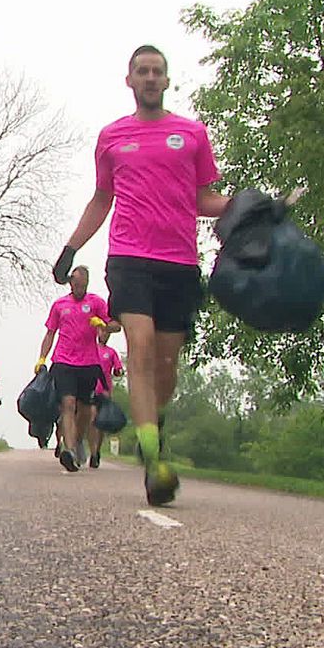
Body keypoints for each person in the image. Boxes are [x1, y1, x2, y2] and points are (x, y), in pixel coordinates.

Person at [52, 45, 230, 505]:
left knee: (166, 367)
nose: (150, 78)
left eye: (158, 72)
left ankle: (156, 423)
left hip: (179, 262)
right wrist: (71, 249)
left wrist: (245, 206)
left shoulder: (192, 135)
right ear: (129, 80)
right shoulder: (112, 137)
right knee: (141, 344)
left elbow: (203, 200)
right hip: (129, 257)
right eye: (142, 71)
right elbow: (101, 199)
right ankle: (153, 460)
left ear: (167, 81)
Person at [35, 265, 119, 472]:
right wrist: (42, 358)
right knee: (68, 403)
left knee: (85, 409)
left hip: (89, 363)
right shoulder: (59, 305)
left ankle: (78, 440)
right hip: (63, 361)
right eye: (75, 284)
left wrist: (103, 325)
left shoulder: (96, 302)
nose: (78, 288)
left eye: (82, 285)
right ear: (70, 283)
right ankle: (69, 450)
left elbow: (116, 325)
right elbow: (50, 333)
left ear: (87, 284)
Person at [86, 328, 125, 468]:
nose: (104, 335)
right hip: (90, 388)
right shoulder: (90, 349)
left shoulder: (111, 352)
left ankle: (97, 451)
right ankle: (92, 451)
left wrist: (118, 371)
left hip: (105, 391)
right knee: (92, 420)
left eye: (107, 333)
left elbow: (118, 369)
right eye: (102, 332)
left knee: (100, 423)